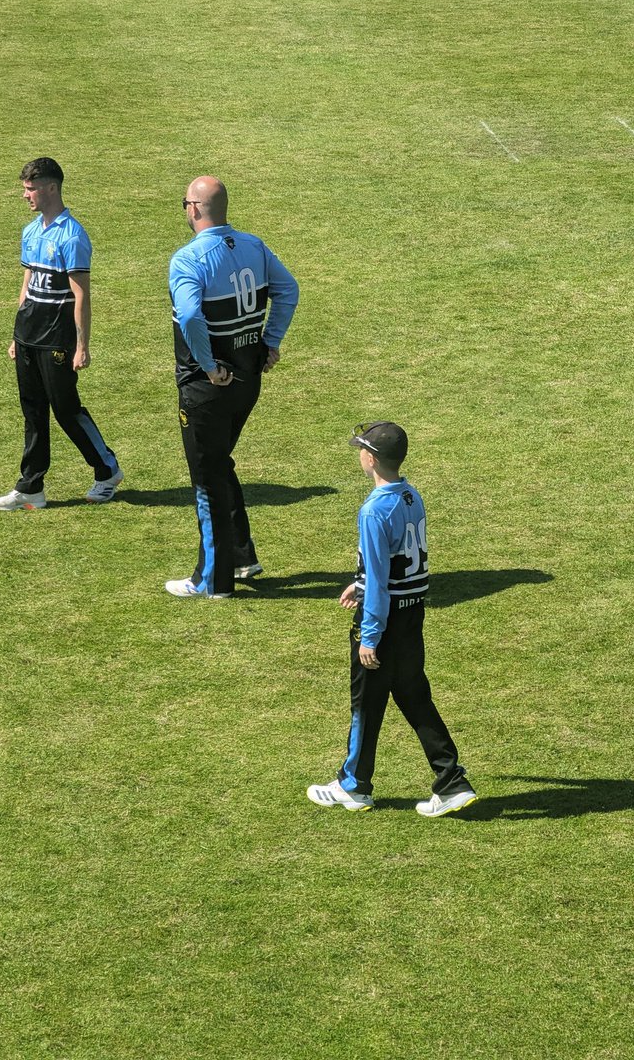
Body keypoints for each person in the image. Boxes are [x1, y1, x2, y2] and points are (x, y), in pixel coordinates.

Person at [306, 421, 477, 817]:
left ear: (371, 459)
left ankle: (354, 786)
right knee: (414, 696)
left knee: (366, 703)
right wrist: (361, 584)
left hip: (384, 621)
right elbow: (393, 564)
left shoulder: (373, 510)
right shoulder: (411, 496)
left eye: (361, 449)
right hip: (412, 613)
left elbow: (381, 580)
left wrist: (370, 635)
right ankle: (451, 781)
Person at [165, 176, 299, 598]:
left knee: (206, 478)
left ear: (193, 208)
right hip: (247, 379)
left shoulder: (188, 259)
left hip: (207, 387)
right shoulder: (253, 246)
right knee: (220, 464)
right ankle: (241, 556)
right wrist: (269, 341)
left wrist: (208, 366)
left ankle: (212, 580)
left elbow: (190, 317)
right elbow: (288, 290)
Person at [0, 157, 123, 510]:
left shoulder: (73, 236)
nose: (25, 195)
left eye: (30, 189)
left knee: (66, 409)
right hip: (28, 336)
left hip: (56, 340)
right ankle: (31, 486)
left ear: (51, 188)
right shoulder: (31, 231)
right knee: (33, 412)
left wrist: (82, 345)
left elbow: (81, 295)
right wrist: (17, 334)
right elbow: (28, 284)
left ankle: (107, 469)